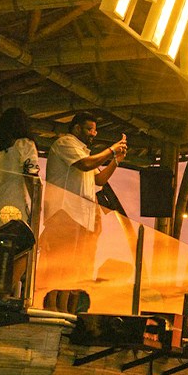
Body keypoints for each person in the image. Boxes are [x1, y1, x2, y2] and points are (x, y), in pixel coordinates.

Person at [41, 112, 124, 285]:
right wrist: (111, 151)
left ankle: (64, 308)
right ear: (77, 128)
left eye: (95, 130)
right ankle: (49, 305)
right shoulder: (65, 143)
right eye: (89, 129)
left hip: (81, 218)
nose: (94, 134)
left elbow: (100, 179)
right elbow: (85, 165)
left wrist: (116, 160)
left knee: (73, 268)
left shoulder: (82, 152)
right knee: (58, 265)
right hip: (64, 214)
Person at [0, 107, 39, 239]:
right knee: (12, 242)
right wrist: (36, 204)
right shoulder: (25, 144)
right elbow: (30, 176)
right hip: (14, 199)